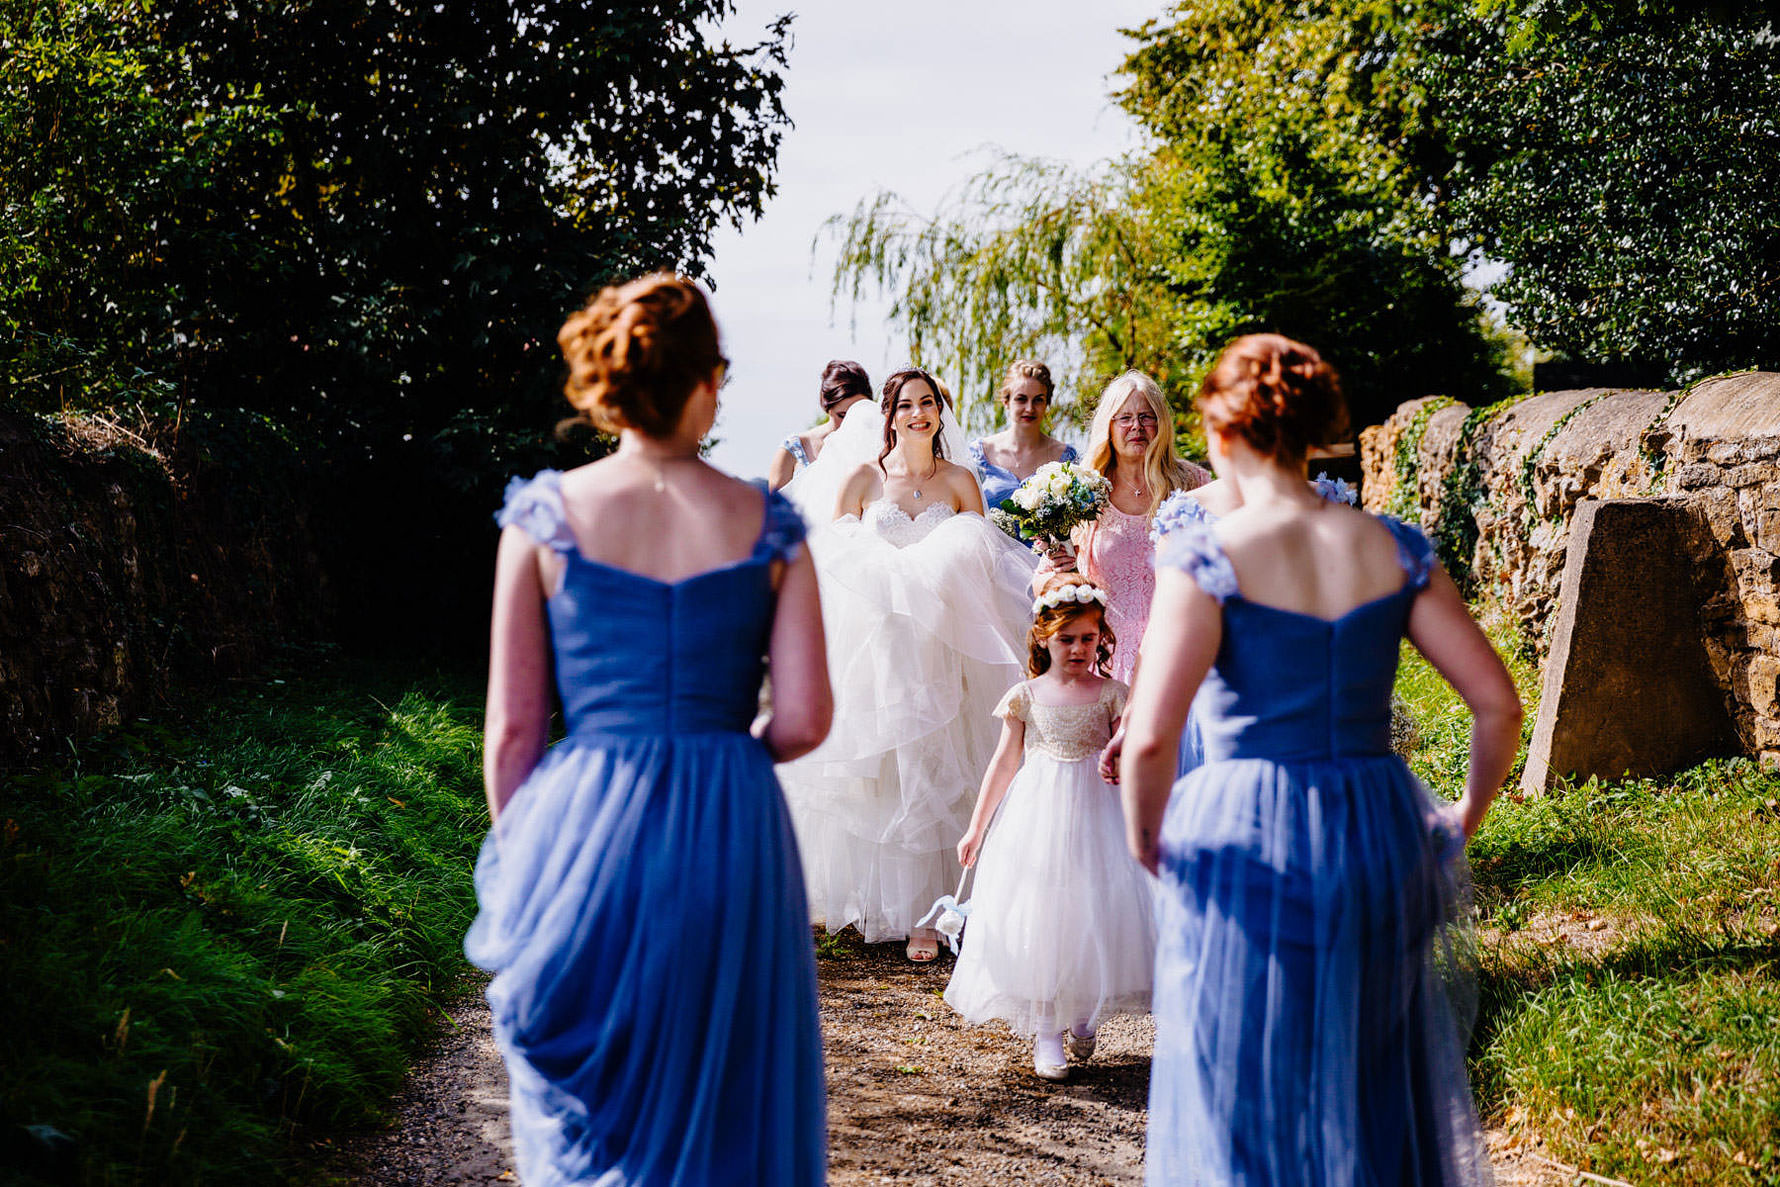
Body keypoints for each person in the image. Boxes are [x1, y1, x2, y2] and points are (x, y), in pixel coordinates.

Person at [1119, 334, 1521, 1185]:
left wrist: (1145, 839)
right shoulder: (1396, 546)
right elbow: (1496, 702)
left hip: (1245, 832)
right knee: (1373, 1068)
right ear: (1317, 430)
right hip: (1379, 827)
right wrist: (1459, 820)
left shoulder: (1209, 555)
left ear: (1221, 434)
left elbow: (1153, 735)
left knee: (1249, 1076)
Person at [465, 273, 832, 1187]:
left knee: (604, 1102)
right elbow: (804, 716)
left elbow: (513, 732)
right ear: (708, 381)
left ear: (613, 381)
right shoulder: (772, 525)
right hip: (733, 823)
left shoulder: (543, 520)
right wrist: (725, 748)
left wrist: (533, 869)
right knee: (733, 1095)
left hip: (591, 822)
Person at [777, 366, 1038, 962]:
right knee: (887, 770)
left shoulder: (960, 481)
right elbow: (833, 564)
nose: (919, 414)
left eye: (929, 404)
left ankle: (935, 910)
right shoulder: (864, 478)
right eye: (907, 405)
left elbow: (987, 564)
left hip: (946, 643)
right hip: (881, 644)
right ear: (888, 415)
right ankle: (881, 902)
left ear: (940, 413)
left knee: (945, 766)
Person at [944, 575, 1155, 1081]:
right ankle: (1045, 1029)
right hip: (1036, 813)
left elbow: (1130, 762)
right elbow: (1003, 764)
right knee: (1041, 911)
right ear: (1042, 638)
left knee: (1091, 908)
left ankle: (1083, 1011)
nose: (1079, 648)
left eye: (1088, 638)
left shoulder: (1112, 695)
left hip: (1096, 814)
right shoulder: (1025, 696)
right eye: (1067, 639)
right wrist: (976, 828)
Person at [1046, 370, 1211, 684]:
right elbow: (1043, 581)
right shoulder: (1081, 491)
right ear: (1108, 425)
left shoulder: (1193, 483)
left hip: (1181, 652)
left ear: (1161, 423)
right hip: (1105, 659)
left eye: (1147, 417)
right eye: (1125, 418)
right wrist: (1061, 573)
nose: (1137, 427)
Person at [968, 360, 1079, 513]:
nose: (1029, 408)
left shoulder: (1065, 458)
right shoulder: (979, 454)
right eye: (1021, 399)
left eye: (1038, 400)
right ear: (1006, 401)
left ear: (1047, 403)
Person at [767, 359, 874, 491]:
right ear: (826, 407)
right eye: (842, 415)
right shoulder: (793, 449)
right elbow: (775, 508)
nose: (849, 421)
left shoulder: (877, 445)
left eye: (857, 413)